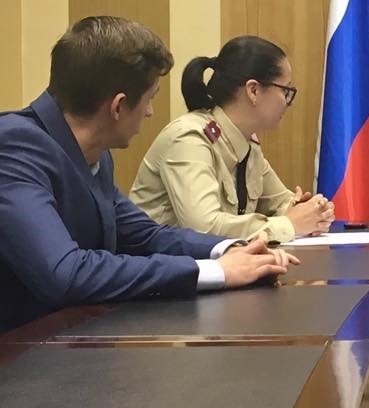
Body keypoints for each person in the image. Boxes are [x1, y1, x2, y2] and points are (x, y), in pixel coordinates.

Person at [0, 17, 298, 333]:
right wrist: (214, 271)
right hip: (18, 353)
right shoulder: (15, 147)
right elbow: (66, 273)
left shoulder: (94, 153)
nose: (150, 112)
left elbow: (146, 236)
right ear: (118, 106)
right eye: (150, 98)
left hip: (74, 341)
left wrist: (230, 250)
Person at [130, 36, 334, 242]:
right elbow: (204, 228)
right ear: (253, 90)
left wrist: (310, 211)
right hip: (159, 261)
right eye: (286, 91)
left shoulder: (247, 144)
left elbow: (280, 202)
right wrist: (289, 224)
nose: (288, 102)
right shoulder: (189, 139)